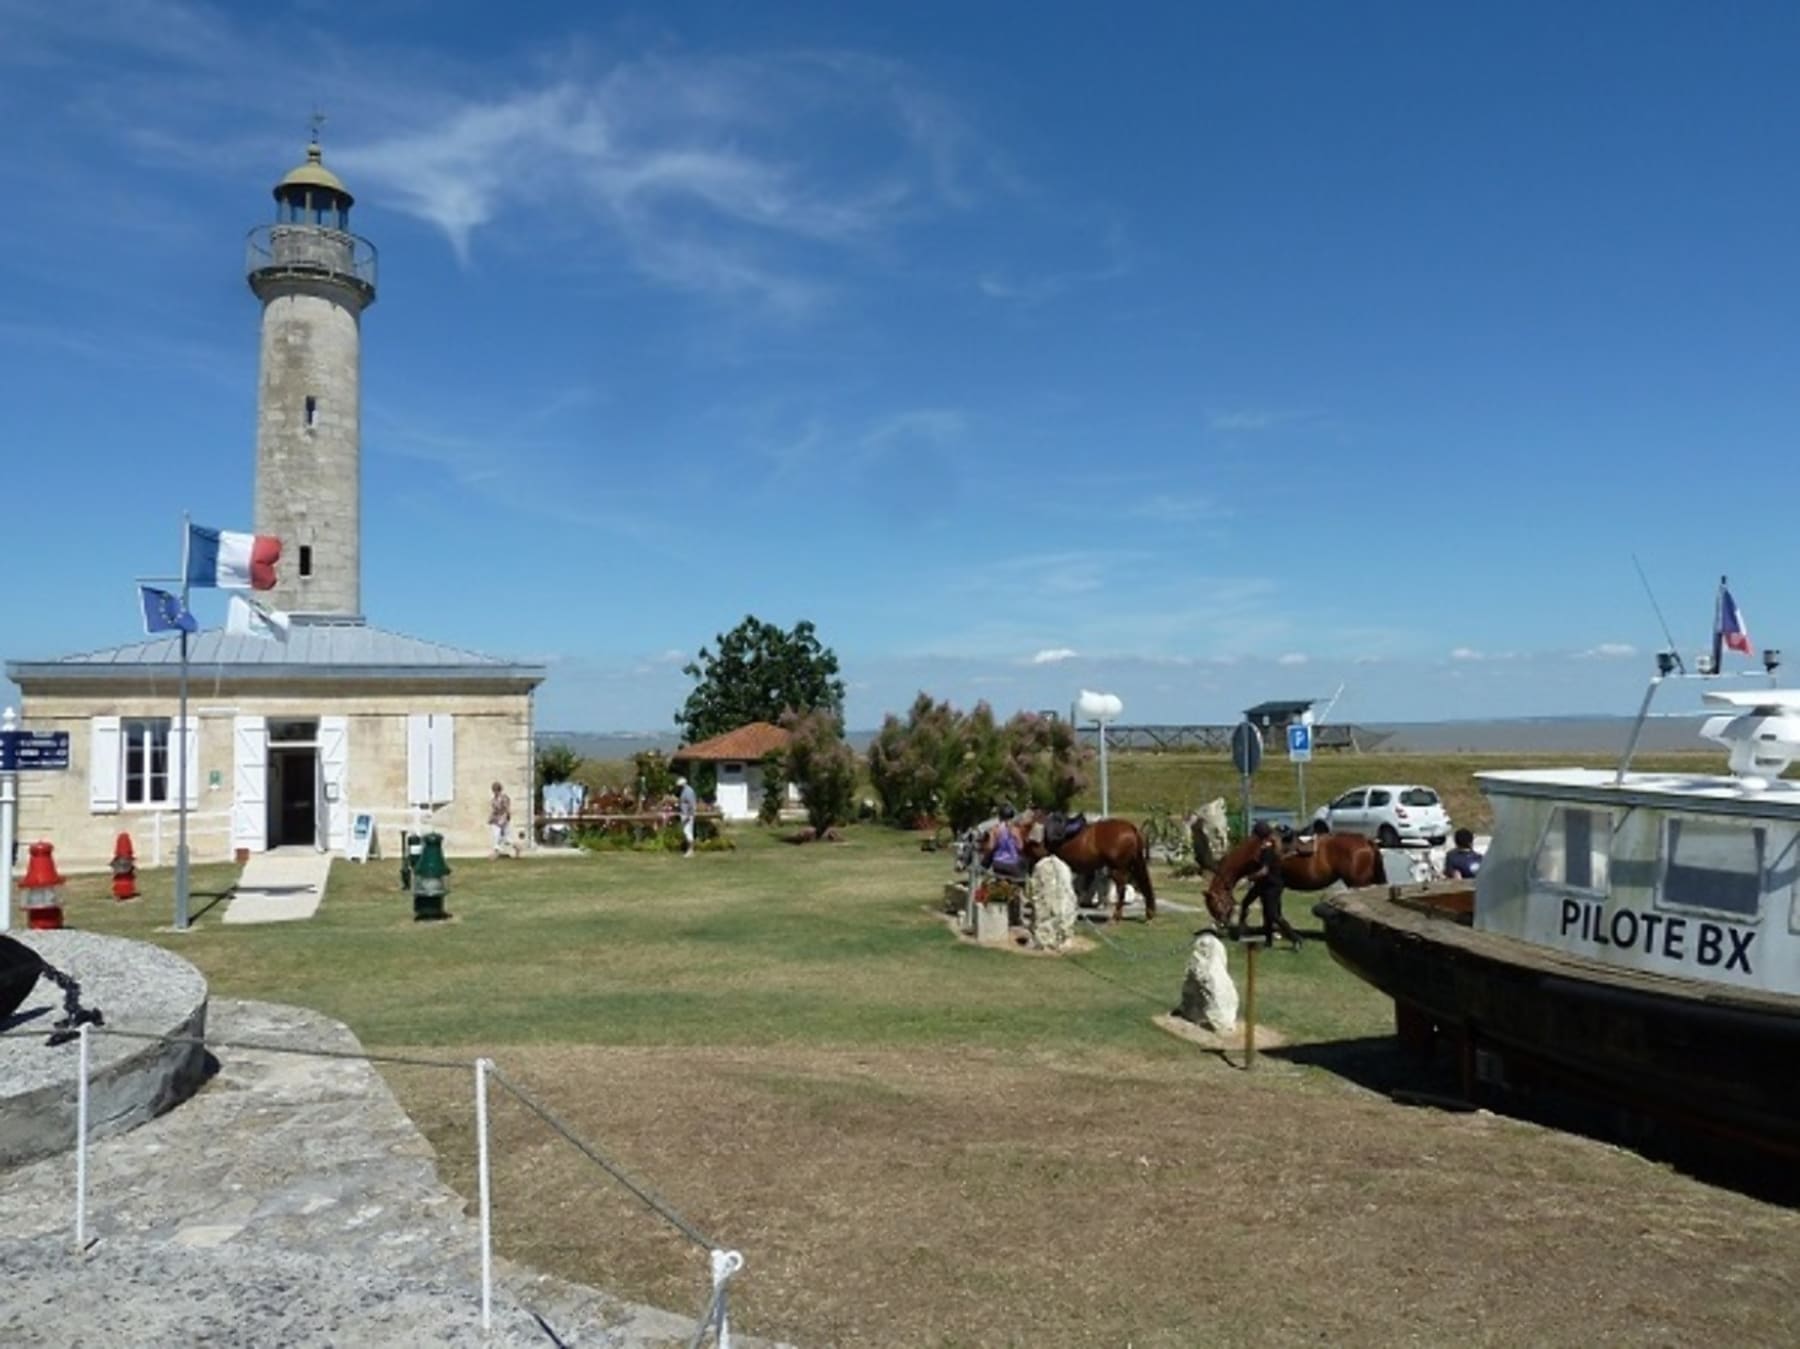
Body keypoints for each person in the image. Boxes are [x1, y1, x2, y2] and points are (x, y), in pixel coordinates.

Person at [1243, 820, 1301, 951]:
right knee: (1266, 914)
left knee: (1274, 915)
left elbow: (1264, 871)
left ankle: (1295, 938)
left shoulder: (1268, 850)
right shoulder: (1269, 847)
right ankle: (1268, 941)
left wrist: (1250, 877)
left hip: (1272, 886)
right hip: (1267, 885)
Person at [982, 804, 1026, 879]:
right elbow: (1020, 847)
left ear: (1000, 817)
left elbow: (990, 847)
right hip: (1013, 864)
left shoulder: (995, 830)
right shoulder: (1016, 830)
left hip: (998, 863)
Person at [489, 781, 514, 859]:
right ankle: (496, 852)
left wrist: (506, 818)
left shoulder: (504, 798)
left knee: (507, 839)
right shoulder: (493, 800)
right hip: (496, 820)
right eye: (493, 790)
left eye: (495, 790)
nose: (494, 792)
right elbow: (494, 811)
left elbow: (507, 809)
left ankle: (517, 848)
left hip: (504, 819)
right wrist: (491, 818)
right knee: (496, 836)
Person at [677, 775, 698, 856]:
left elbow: (692, 805)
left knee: (688, 832)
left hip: (688, 815)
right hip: (684, 814)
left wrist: (689, 816)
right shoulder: (684, 791)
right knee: (686, 832)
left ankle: (690, 850)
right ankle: (689, 850)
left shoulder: (688, 791)